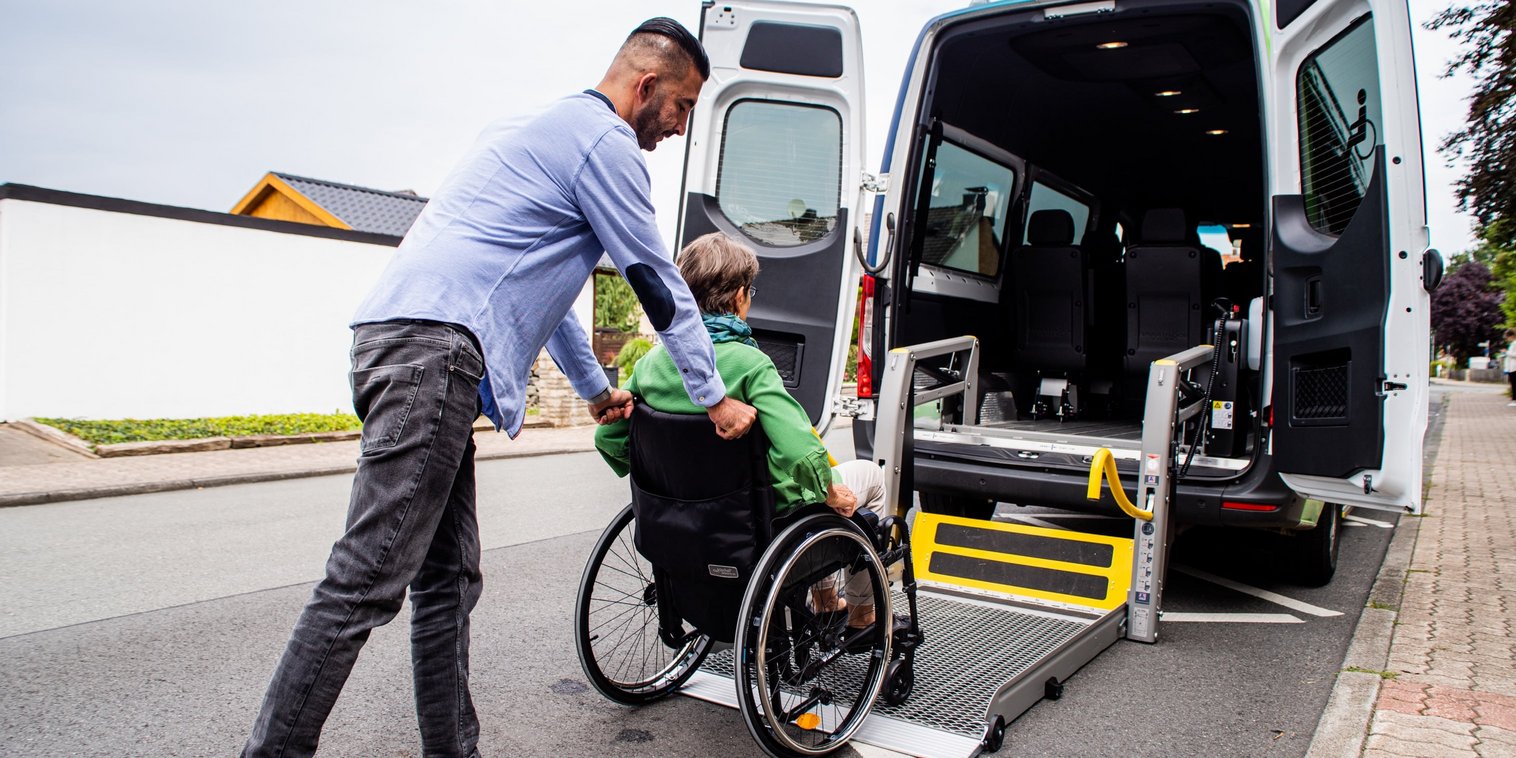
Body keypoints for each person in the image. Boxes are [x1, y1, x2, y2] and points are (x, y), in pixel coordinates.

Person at [242, 18, 756, 758]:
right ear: (646, 86)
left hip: (399, 339)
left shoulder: (525, 131)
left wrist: (592, 387)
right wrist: (712, 394)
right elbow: (654, 278)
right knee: (365, 579)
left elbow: (534, 290)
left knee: (448, 579)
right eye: (681, 106)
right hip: (434, 355)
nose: (679, 126)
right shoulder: (605, 146)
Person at [595, 232, 894, 633]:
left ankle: (825, 599)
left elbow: (609, 439)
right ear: (738, 297)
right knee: (867, 480)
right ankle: (862, 612)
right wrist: (829, 490)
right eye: (749, 291)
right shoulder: (751, 364)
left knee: (810, 493)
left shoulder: (651, 365)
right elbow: (800, 450)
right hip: (761, 520)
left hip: (682, 520)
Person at [1504, 330, 1516, 405]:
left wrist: (1506, 352)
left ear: (1511, 336)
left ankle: (1515, 400)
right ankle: (1514, 399)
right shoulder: (1513, 344)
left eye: (1507, 337)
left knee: (1514, 384)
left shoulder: (1515, 343)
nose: (1507, 339)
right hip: (1512, 368)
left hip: (1514, 367)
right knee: (1513, 384)